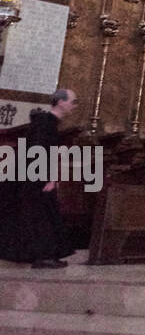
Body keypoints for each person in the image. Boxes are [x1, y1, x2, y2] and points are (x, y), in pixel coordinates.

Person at [0, 90, 78, 268]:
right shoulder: (45, 124)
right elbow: (39, 153)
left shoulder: (47, 122)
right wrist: (47, 179)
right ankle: (43, 256)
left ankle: (46, 254)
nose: (75, 105)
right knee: (39, 216)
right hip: (34, 178)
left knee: (42, 215)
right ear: (60, 102)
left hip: (33, 176)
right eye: (73, 102)